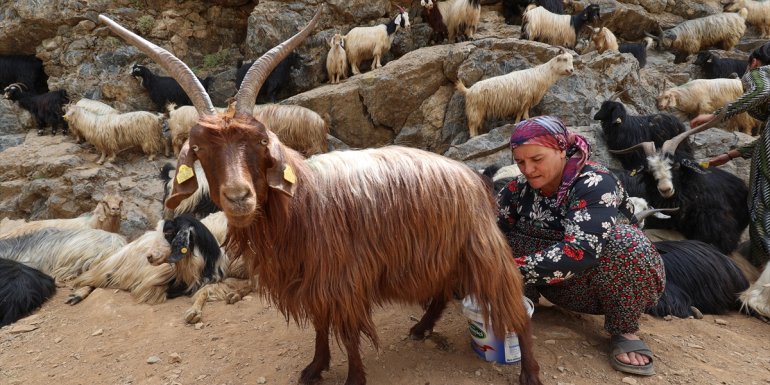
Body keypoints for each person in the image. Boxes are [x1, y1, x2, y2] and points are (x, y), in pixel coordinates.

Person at [496, 115, 665, 376]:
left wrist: (502, 271)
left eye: (537, 159)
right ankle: (522, 299)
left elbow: (580, 251)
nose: (527, 169)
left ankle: (624, 328)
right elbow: (491, 231)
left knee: (625, 243)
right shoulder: (517, 189)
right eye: (520, 162)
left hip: (600, 284)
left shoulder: (595, 183)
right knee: (499, 238)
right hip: (552, 284)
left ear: (561, 149)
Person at [691, 41, 770, 267]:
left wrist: (717, 115)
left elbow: (762, 90)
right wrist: (730, 155)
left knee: (761, 206)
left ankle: (762, 275)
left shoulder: (759, 72)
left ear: (753, 61)